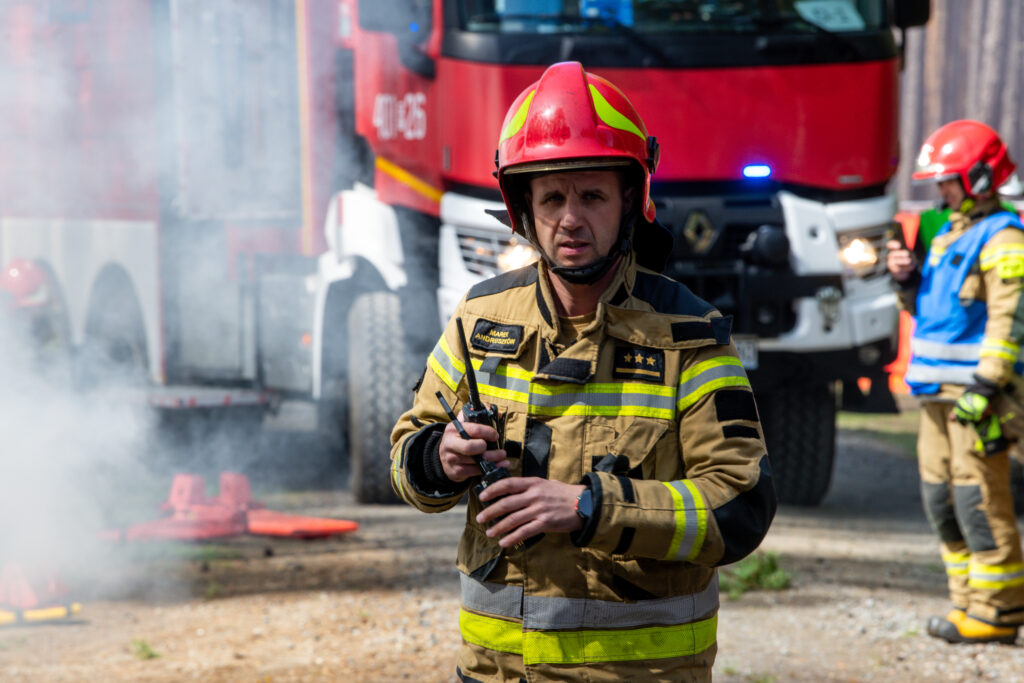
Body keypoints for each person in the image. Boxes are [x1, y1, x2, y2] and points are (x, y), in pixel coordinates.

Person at [389, 61, 777, 681]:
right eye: (552, 197)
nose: (570, 219)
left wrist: (590, 506)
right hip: (496, 671)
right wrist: (443, 456)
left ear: (631, 199)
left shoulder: (688, 335)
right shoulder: (480, 317)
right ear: (523, 209)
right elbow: (409, 454)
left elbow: (739, 507)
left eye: (591, 195)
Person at [887, 119, 1024, 645]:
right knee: (939, 500)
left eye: (949, 180)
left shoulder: (1004, 237)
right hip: (934, 395)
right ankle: (967, 602)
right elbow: (930, 313)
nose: (941, 191)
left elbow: (1008, 321)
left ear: (983, 178)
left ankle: (1000, 608)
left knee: (977, 500)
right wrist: (907, 280)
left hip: (975, 397)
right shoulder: (948, 234)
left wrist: (986, 387)